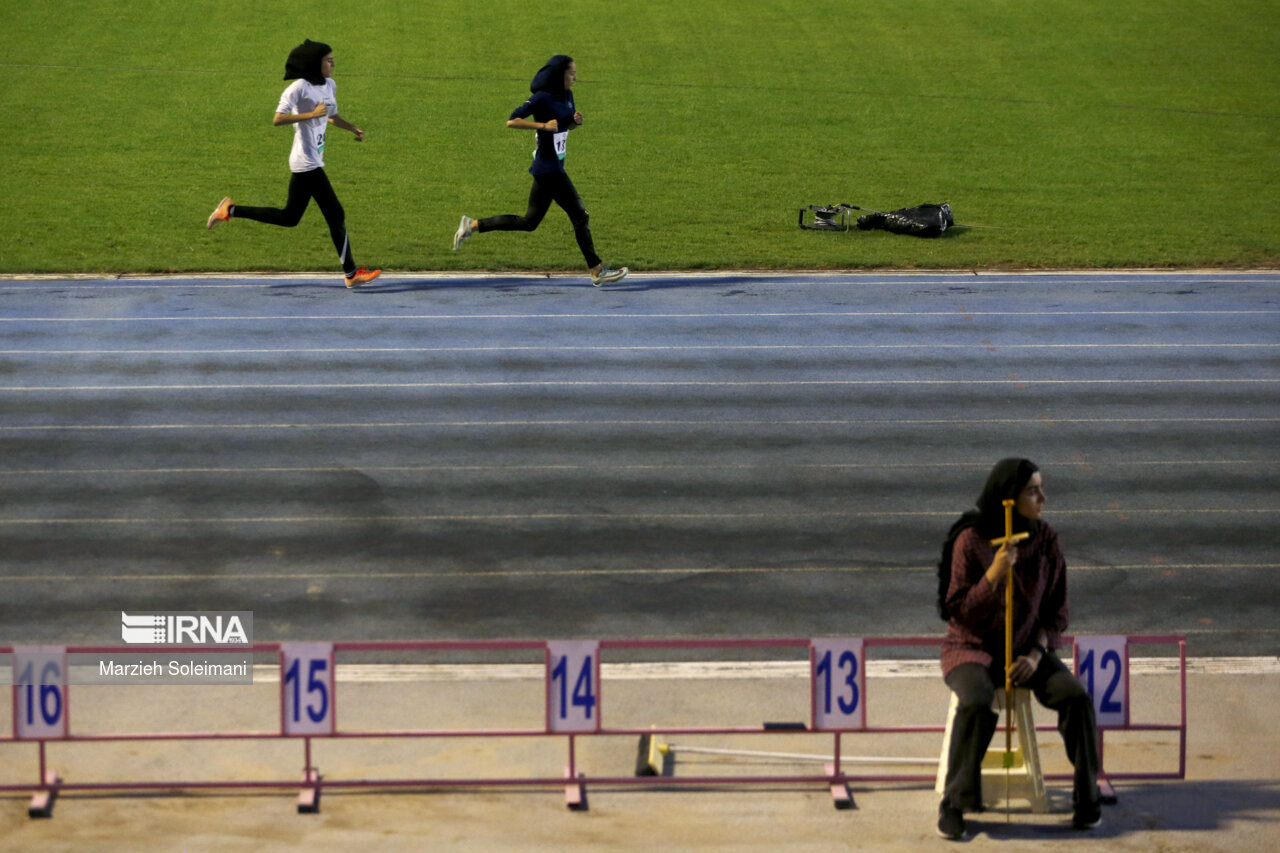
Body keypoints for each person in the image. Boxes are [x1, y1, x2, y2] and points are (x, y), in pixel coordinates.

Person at [935, 458, 1102, 840]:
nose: (1042, 498)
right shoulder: (970, 540)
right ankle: (955, 801)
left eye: (1040, 489)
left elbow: (1057, 611)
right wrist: (993, 574)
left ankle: (1087, 796)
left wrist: (1036, 654)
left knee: (1076, 698)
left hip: (1027, 649)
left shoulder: (1045, 540)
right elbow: (959, 611)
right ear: (1008, 498)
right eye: (1032, 490)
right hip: (971, 649)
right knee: (976, 702)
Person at [206, 39, 380, 289]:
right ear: (314, 64)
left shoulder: (330, 85)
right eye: (328, 60)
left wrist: (351, 127)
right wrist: (310, 115)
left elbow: (330, 115)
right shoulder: (298, 88)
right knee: (336, 214)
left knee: (290, 217)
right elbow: (278, 119)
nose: (333, 63)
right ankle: (351, 274)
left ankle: (230, 210)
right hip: (305, 162)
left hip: (314, 159)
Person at [451, 55, 628, 287]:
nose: (576, 77)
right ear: (559, 75)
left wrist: (575, 122)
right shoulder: (541, 98)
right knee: (580, 216)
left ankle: (472, 225)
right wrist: (541, 126)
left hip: (550, 168)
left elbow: (564, 128)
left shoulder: (567, 96)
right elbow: (512, 120)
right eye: (571, 73)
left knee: (529, 222)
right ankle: (597, 270)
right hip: (549, 169)